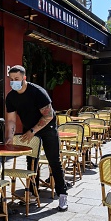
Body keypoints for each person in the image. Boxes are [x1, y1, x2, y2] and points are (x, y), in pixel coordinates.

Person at [5, 65, 68, 212]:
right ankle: (33, 193)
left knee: (54, 161)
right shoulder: (11, 97)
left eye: (17, 79)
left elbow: (48, 115)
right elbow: (11, 120)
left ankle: (62, 194)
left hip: (47, 128)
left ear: (24, 78)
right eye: (11, 80)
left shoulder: (38, 92)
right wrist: (9, 136)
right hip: (30, 129)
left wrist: (33, 130)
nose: (14, 82)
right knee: (31, 160)